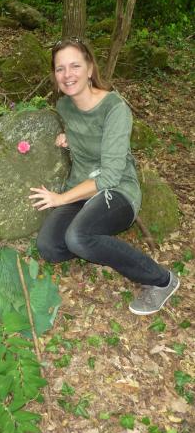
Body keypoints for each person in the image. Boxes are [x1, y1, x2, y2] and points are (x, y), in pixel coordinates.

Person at [29, 38, 179, 315]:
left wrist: (60, 198)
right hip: (82, 188)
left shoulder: (115, 108)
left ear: (89, 69)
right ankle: (92, 241)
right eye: (60, 69)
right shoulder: (64, 107)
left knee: (77, 237)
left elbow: (110, 174)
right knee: (49, 247)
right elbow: (87, 136)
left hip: (118, 191)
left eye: (75, 66)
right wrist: (69, 139)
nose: (67, 74)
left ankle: (162, 280)